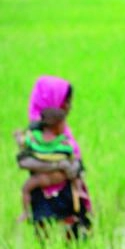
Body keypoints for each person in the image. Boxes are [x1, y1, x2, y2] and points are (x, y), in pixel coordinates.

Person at [16, 76, 92, 237]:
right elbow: (24, 161)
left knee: (76, 240)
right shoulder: (34, 136)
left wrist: (71, 167)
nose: (69, 107)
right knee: (46, 241)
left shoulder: (63, 133)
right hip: (43, 199)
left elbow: (76, 162)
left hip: (68, 197)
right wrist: (59, 165)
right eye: (65, 101)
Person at [14, 108, 81, 223]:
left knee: (26, 189)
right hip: (58, 176)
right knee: (74, 182)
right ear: (57, 126)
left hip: (41, 178)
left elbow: (23, 142)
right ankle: (78, 199)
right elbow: (70, 154)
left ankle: (26, 212)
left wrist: (18, 136)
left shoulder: (35, 138)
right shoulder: (62, 142)